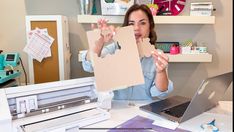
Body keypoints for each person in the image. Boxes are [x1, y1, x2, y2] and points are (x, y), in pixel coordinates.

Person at [81, 4, 173, 100]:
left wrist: (161, 72)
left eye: (142, 23)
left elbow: (160, 93)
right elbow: (89, 65)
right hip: (117, 110)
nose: (136, 28)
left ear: (150, 26)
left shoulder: (157, 56)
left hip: (144, 110)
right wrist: (99, 41)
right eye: (131, 24)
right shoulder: (114, 49)